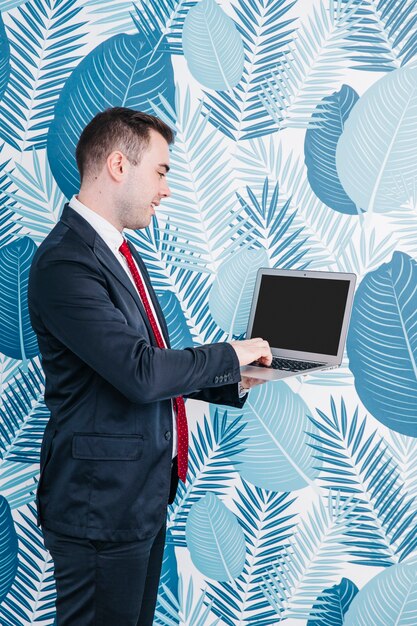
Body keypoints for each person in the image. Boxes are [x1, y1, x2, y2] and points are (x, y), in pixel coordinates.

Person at [28, 107, 272, 626]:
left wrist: (236, 379)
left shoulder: (119, 252)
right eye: (161, 172)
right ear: (119, 164)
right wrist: (231, 353)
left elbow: (142, 367)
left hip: (136, 498)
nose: (166, 190)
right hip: (100, 506)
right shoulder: (66, 262)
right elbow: (140, 373)